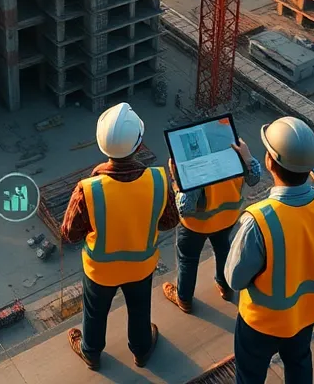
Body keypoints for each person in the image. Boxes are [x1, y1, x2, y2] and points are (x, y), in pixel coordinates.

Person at [225, 117, 314, 384]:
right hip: (305, 313)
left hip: (261, 322)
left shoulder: (259, 220)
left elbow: (234, 278)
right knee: (299, 363)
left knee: (250, 375)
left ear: (270, 162)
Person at [60, 102, 178, 371]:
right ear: (138, 145)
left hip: (100, 270)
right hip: (141, 266)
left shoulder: (87, 190)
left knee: (95, 313)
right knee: (139, 309)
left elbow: (69, 234)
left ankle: (90, 352)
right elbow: (170, 221)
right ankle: (141, 349)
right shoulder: (158, 181)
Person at [162, 129, 262, 314]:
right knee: (223, 252)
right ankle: (225, 287)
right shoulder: (237, 156)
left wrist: (177, 180)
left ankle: (184, 299)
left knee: (188, 260)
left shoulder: (198, 168)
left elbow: (184, 207)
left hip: (194, 226)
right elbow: (254, 178)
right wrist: (248, 157)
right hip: (227, 219)